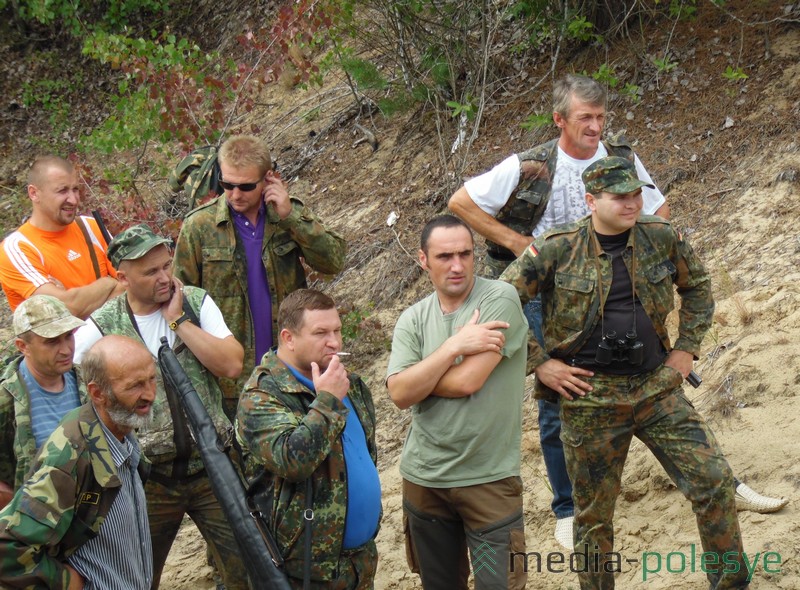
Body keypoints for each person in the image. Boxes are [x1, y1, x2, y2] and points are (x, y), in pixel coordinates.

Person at [449, 74, 785, 546]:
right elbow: (461, 204)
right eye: (585, 117)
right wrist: (523, 246)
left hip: (621, 284)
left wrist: (646, 253)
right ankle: (568, 507)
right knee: (560, 400)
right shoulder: (533, 165)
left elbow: (658, 210)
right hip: (554, 289)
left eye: (601, 116)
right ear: (560, 119)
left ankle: (719, 483)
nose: (594, 126)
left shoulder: (619, 159)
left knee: (664, 393)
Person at [500, 156, 749, 589]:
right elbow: (502, 300)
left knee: (713, 482)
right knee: (594, 517)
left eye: (636, 193)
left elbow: (699, 287)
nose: (632, 203)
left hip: (656, 387)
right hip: (589, 395)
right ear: (591, 199)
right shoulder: (558, 246)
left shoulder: (660, 235)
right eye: (620, 197)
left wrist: (687, 348)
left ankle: (731, 583)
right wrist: (540, 364)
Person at [73, 224, 249, 590]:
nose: (165, 277)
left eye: (167, 266)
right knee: (137, 578)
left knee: (245, 568)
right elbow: (79, 400)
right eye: (151, 271)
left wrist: (179, 321)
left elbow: (231, 365)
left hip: (213, 469)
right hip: (146, 481)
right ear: (122, 277)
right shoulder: (100, 330)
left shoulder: (196, 303)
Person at [386, 215, 528, 590]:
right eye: (445, 256)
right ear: (423, 260)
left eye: (465, 254)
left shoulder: (499, 298)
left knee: (499, 585)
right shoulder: (412, 319)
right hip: (424, 479)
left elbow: (468, 381)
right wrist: (454, 347)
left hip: (488, 480)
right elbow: (399, 394)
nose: (457, 265)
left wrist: (421, 376)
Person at [173, 134, 347, 420]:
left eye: (245, 186)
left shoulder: (287, 215)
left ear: (268, 179)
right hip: (231, 379)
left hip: (291, 369)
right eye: (227, 184)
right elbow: (183, 298)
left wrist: (291, 217)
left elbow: (333, 261)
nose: (235, 194)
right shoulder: (199, 226)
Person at [237, 288, 380, 589]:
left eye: (337, 330)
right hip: (306, 572)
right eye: (320, 333)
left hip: (359, 563)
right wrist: (327, 399)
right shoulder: (262, 395)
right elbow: (293, 460)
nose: (335, 342)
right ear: (288, 338)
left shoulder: (347, 382)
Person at [0, 335, 155, 589]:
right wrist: (67, 582)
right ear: (97, 393)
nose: (150, 394)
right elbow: (8, 548)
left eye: (152, 379)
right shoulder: (71, 457)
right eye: (135, 385)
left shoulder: (123, 427)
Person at [0, 155, 124, 318]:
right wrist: (109, 282)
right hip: (67, 343)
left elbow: (134, 285)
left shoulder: (90, 227)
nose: (73, 200)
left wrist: (76, 301)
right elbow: (63, 309)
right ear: (34, 193)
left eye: (75, 189)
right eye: (62, 191)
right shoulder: (17, 249)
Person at [0, 295, 87, 508]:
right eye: (52, 341)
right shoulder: (6, 399)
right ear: (23, 346)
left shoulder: (88, 382)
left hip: (93, 513)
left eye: (69, 336)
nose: (66, 349)